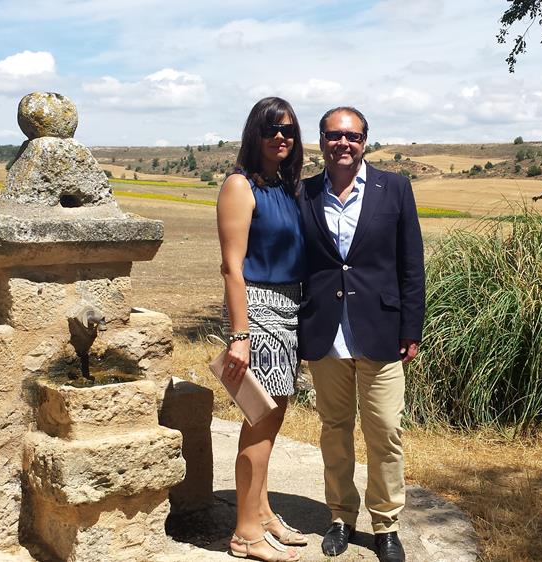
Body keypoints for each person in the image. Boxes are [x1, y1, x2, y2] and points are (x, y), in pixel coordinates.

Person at [297, 106, 425, 562]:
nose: (343, 144)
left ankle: (386, 524)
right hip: (325, 331)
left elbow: (411, 263)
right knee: (334, 430)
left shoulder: (395, 188)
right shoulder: (304, 192)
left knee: (385, 431)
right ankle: (340, 516)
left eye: (352, 136)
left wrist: (411, 326)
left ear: (365, 141)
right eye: (334, 136)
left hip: (381, 331)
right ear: (321, 141)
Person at [217, 97, 307, 562]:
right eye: (271, 129)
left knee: (272, 420)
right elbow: (232, 266)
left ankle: (263, 512)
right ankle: (245, 534)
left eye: (288, 130)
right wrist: (240, 335)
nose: (280, 137)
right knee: (260, 422)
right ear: (255, 133)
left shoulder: (284, 187)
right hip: (259, 310)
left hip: (288, 308)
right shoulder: (241, 185)